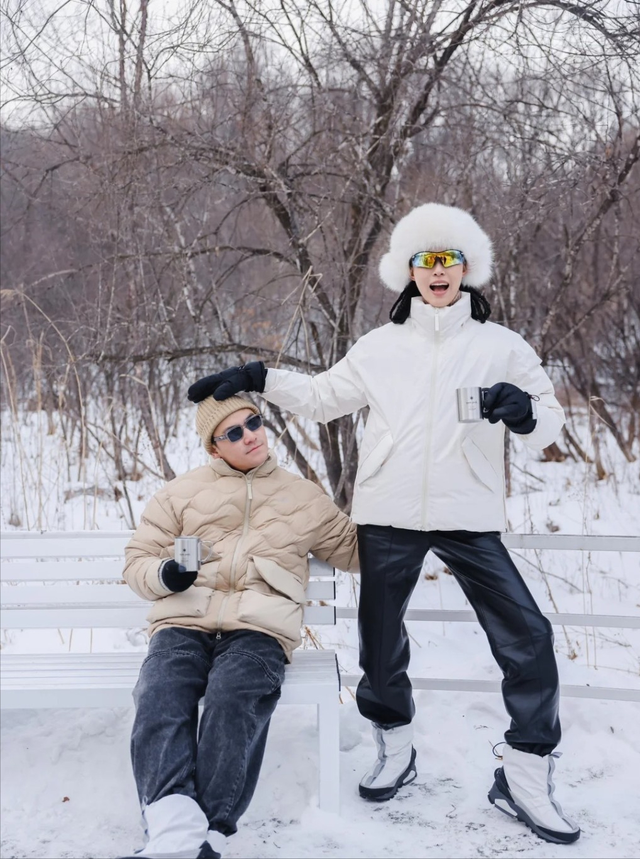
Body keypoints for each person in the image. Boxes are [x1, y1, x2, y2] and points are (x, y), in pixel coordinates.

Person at [187, 203, 581, 845]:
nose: (437, 273)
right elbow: (322, 400)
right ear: (408, 272)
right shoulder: (380, 346)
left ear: (466, 270)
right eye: (425, 261)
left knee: (528, 637)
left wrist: (524, 414)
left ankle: (527, 771)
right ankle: (395, 744)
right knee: (378, 641)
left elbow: (550, 428)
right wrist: (259, 377)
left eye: (448, 260)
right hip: (388, 515)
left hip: (468, 517)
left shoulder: (501, 347)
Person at [122, 395, 359, 859]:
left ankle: (203, 832)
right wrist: (166, 575)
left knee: (234, 697)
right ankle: (178, 829)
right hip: (184, 620)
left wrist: (395, 507)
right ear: (214, 448)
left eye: (253, 422)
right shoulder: (179, 493)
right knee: (159, 693)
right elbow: (138, 560)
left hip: (259, 627)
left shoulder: (303, 496)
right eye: (233, 432)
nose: (250, 434)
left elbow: (358, 553)